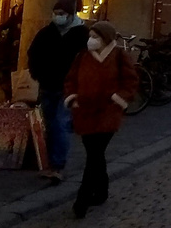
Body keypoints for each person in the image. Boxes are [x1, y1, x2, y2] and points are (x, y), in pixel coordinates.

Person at [64, 20, 138, 218]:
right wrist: (73, 98)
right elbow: (71, 79)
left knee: (94, 155)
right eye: (91, 36)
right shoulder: (82, 57)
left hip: (108, 112)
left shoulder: (119, 56)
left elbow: (130, 81)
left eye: (95, 37)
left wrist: (118, 99)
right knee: (95, 154)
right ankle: (102, 190)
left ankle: (82, 199)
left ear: (105, 39)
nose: (91, 40)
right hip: (85, 112)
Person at [28, 0, 89, 182]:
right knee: (50, 124)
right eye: (55, 13)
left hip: (69, 87)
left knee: (61, 124)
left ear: (71, 14)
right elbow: (33, 53)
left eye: (61, 13)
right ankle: (49, 163)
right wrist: (36, 72)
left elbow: (86, 60)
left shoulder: (81, 34)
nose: (57, 16)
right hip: (47, 84)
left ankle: (57, 166)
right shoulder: (47, 32)